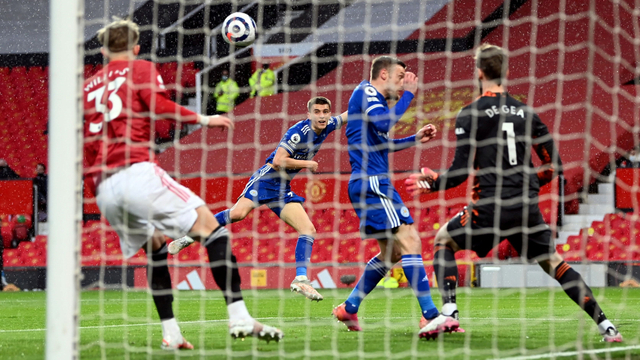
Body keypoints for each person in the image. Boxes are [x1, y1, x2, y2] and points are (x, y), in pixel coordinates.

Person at [83, 19, 283, 351]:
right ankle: (239, 316)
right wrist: (206, 119)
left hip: (104, 189)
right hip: (136, 173)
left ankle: (171, 334)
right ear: (135, 49)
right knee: (213, 231)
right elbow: (160, 107)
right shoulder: (140, 68)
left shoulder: (88, 87)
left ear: (103, 51)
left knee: (156, 248)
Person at [405, 43, 623, 343]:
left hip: (490, 206)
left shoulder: (470, 114)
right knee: (555, 264)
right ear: (505, 72)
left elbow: (458, 173)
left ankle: (450, 311)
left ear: (479, 72)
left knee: (444, 239)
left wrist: (432, 181)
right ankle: (607, 326)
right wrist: (527, 183)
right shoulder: (526, 112)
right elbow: (553, 166)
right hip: (526, 207)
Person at [170, 97, 348, 302]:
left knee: (308, 229)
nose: (322, 115)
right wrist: (308, 164)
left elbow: (346, 116)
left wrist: (370, 99)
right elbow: (278, 160)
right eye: (317, 111)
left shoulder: (328, 125)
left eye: (326, 111)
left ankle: (301, 278)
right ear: (309, 115)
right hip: (266, 180)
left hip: (282, 188)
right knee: (238, 214)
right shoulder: (299, 133)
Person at [331, 55, 459, 339]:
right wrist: (410, 95)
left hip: (365, 182)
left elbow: (381, 142)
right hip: (373, 182)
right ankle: (431, 315)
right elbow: (382, 123)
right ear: (384, 75)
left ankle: (349, 308)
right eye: (400, 77)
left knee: (391, 253)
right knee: (411, 239)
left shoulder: (367, 97)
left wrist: (414, 138)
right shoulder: (366, 92)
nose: (404, 83)